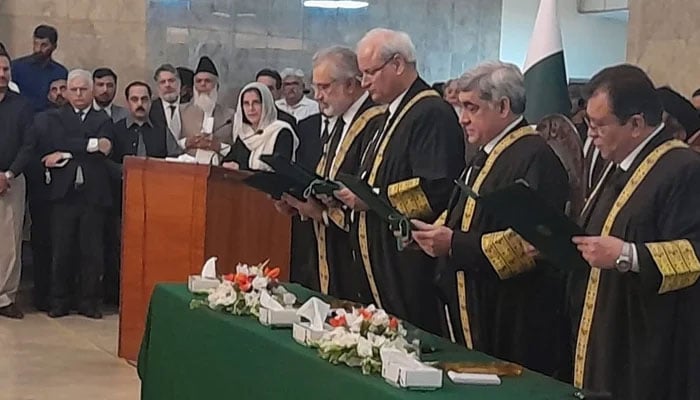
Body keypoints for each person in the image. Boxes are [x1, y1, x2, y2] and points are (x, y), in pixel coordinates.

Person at [410, 61, 569, 376]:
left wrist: (454, 244)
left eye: (471, 108)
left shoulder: (533, 156)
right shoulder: (484, 153)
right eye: (461, 107)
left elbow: (530, 245)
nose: (463, 119)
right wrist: (430, 234)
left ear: (503, 106)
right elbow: (460, 216)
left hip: (510, 314)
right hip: (474, 300)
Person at [567, 64, 700, 400]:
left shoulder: (683, 169)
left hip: (644, 340)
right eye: (588, 125)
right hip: (606, 323)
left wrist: (627, 255)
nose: (590, 135)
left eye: (599, 125)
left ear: (637, 124)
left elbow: (695, 256)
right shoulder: (619, 164)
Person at [334, 28, 465, 333]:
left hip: (410, 260)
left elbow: (436, 188)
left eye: (370, 73)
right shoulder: (393, 112)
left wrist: (373, 198)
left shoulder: (431, 112)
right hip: (382, 255)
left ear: (397, 64)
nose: (364, 83)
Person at [276, 46, 385, 301]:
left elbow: (364, 188)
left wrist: (324, 214)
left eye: (324, 87)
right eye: (315, 88)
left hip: (357, 253)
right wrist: (300, 203)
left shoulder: (374, 121)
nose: (318, 96)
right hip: (328, 246)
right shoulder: (342, 118)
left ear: (350, 85)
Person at [39, 69, 114, 319]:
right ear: (67, 92)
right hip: (64, 193)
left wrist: (68, 151)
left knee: (91, 252)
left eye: (83, 89)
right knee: (62, 250)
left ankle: (89, 301)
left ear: (91, 90)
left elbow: (105, 147)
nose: (79, 94)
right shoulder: (56, 117)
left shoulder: (102, 118)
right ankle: (59, 300)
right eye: (74, 90)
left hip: (93, 194)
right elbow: (55, 140)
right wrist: (89, 144)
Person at [105, 81, 168, 304]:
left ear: (150, 102)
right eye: (135, 99)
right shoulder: (116, 129)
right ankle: (116, 297)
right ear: (127, 102)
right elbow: (105, 162)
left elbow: (173, 159)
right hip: (121, 200)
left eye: (144, 99)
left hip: (154, 201)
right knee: (119, 249)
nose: (140, 104)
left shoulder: (160, 131)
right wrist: (126, 172)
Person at [0, 50, 35, 319]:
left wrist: (9, 174)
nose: (2, 74)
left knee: (10, 241)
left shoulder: (22, 105)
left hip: (12, 180)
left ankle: (5, 297)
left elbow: (29, 144)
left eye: (6, 70)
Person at [222, 82, 297, 171]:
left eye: (256, 102)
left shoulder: (281, 132)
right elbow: (227, 161)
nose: (251, 108)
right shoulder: (245, 134)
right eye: (246, 103)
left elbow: (280, 173)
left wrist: (240, 169)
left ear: (266, 104)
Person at [180, 56, 235, 163]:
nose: (203, 84)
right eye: (199, 81)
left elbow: (237, 150)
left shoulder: (230, 116)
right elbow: (170, 144)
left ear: (216, 86)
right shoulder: (181, 112)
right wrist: (187, 142)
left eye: (207, 81)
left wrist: (217, 146)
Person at [10, 25, 68, 112]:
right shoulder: (16, 67)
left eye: (44, 45)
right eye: (36, 44)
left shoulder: (60, 73)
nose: (38, 49)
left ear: (54, 46)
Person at [149, 64, 184, 156]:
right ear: (157, 87)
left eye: (171, 81)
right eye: (162, 82)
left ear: (179, 83)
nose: (167, 85)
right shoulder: (150, 110)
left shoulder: (191, 107)